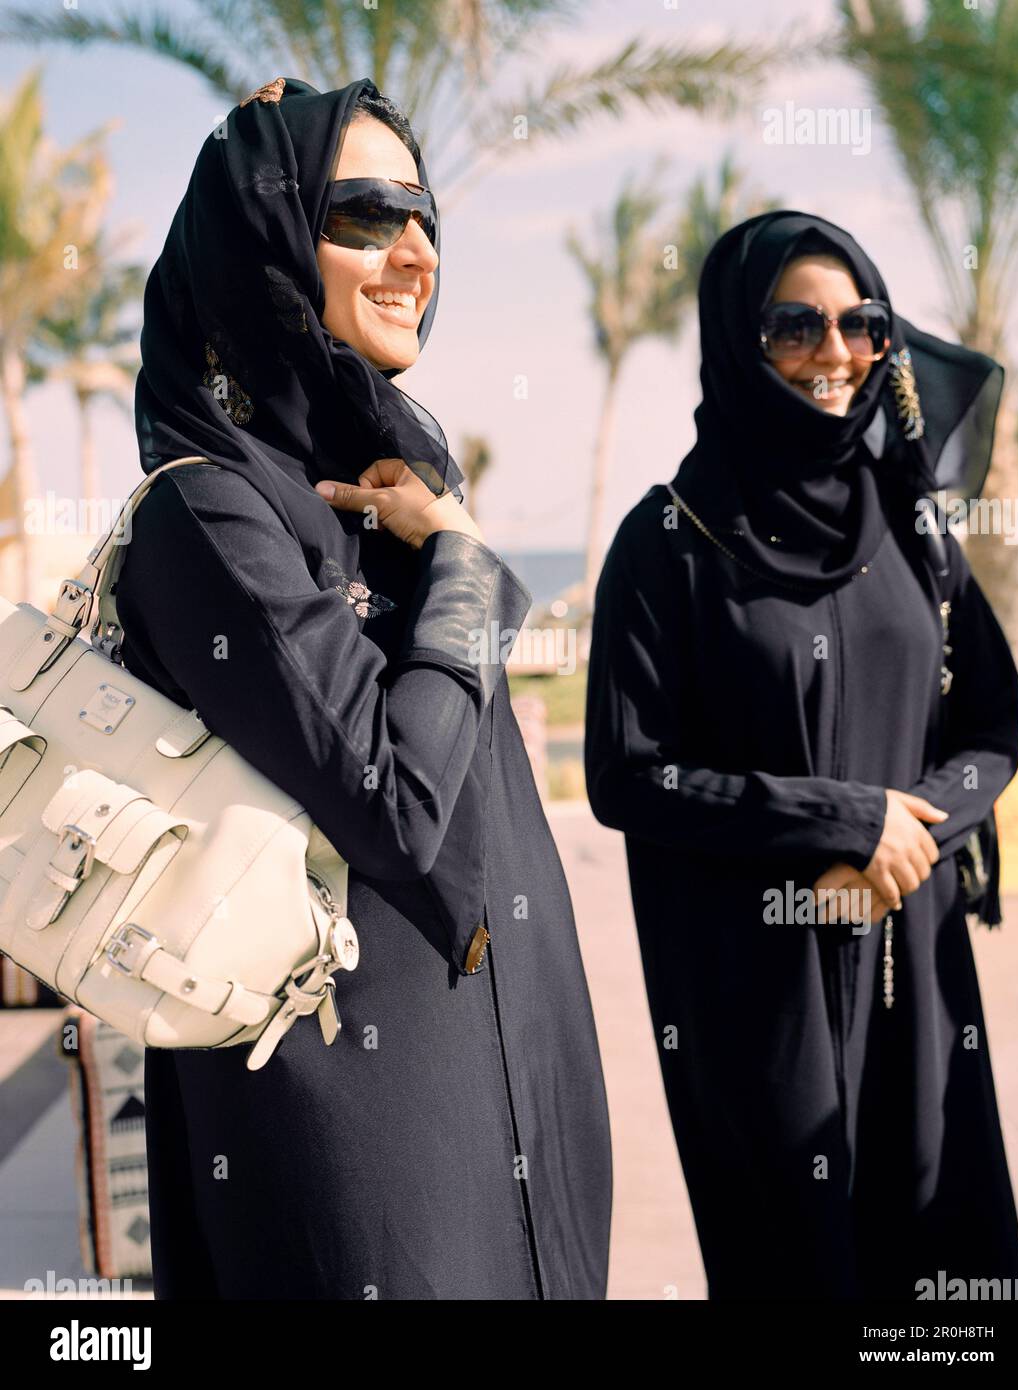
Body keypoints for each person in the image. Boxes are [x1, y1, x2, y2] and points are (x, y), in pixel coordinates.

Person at [116, 76, 612, 1300]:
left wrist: (444, 545)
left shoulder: (401, 485)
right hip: (366, 1137)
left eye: (424, 215)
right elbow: (395, 807)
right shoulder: (208, 512)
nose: (417, 252)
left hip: (520, 1080)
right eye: (365, 213)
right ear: (265, 240)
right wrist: (467, 568)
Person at [585, 210, 1018, 1299]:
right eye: (796, 326)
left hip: (916, 958)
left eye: (861, 324)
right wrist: (842, 820)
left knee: (939, 1267)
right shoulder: (669, 542)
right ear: (740, 340)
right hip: (758, 990)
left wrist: (910, 834)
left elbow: (990, 727)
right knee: (798, 1262)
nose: (837, 352)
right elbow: (626, 773)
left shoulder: (910, 522)